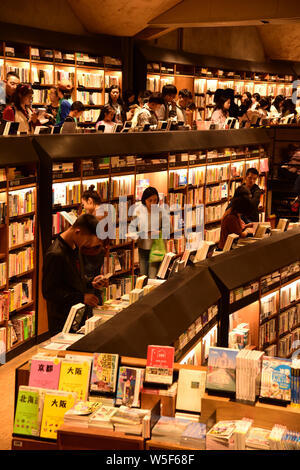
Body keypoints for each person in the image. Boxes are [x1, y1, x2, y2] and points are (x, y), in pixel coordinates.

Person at [42, 214, 107, 336]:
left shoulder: (75, 246)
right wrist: (81, 298)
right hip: (62, 320)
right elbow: (49, 292)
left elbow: (73, 277)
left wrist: (91, 282)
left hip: (77, 315)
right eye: (87, 240)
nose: (88, 245)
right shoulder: (55, 254)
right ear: (78, 231)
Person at [129, 187, 168, 279]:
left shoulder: (161, 211)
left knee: (152, 276)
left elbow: (167, 229)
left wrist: (158, 232)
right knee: (143, 276)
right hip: (142, 247)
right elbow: (132, 228)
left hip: (156, 248)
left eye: (155, 200)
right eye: (150, 200)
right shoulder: (137, 211)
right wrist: (136, 234)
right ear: (144, 200)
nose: (153, 203)